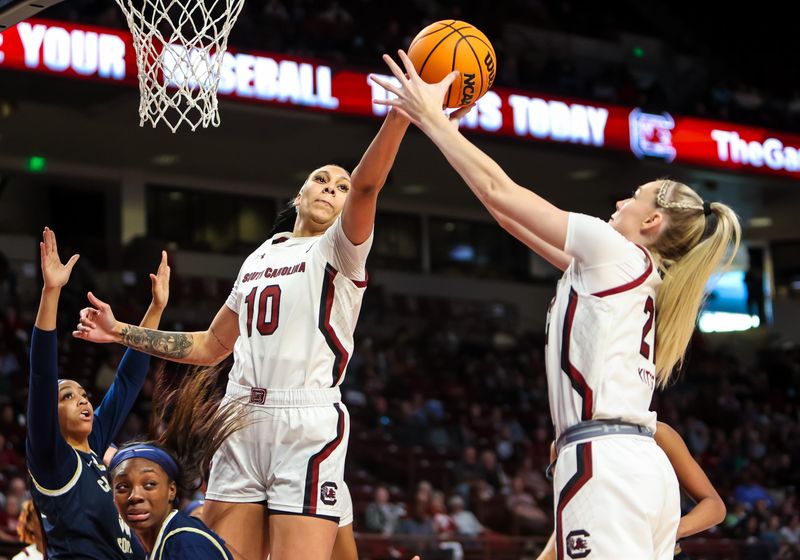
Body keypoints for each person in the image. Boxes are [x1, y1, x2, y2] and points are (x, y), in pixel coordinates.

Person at [371, 51, 740, 559]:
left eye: (633, 197)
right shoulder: (632, 272)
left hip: (605, 462)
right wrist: (447, 134)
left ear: (652, 222)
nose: (618, 204)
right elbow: (507, 215)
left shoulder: (615, 252)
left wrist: (430, 118)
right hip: (638, 469)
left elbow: (504, 192)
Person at [73, 108, 411, 560]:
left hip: (304, 422)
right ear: (299, 194)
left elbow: (369, 184)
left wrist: (401, 114)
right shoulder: (259, 257)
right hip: (239, 418)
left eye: (341, 187)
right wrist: (120, 332)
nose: (331, 187)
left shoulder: (340, 250)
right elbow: (211, 345)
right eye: (321, 179)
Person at [28, 228, 168, 559]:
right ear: (50, 414)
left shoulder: (93, 447)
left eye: (83, 395)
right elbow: (42, 374)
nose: (82, 400)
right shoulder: (53, 459)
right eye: (67, 397)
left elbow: (129, 380)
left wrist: (156, 308)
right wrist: (51, 291)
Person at [109, 364, 246, 559]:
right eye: (123, 487)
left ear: (171, 490)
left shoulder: (184, 542)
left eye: (149, 484)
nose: (135, 496)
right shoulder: (164, 543)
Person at [536, 422, 727, 559]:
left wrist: (672, 530)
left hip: (660, 552)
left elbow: (714, 505)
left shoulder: (655, 433)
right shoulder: (564, 444)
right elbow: (569, 518)